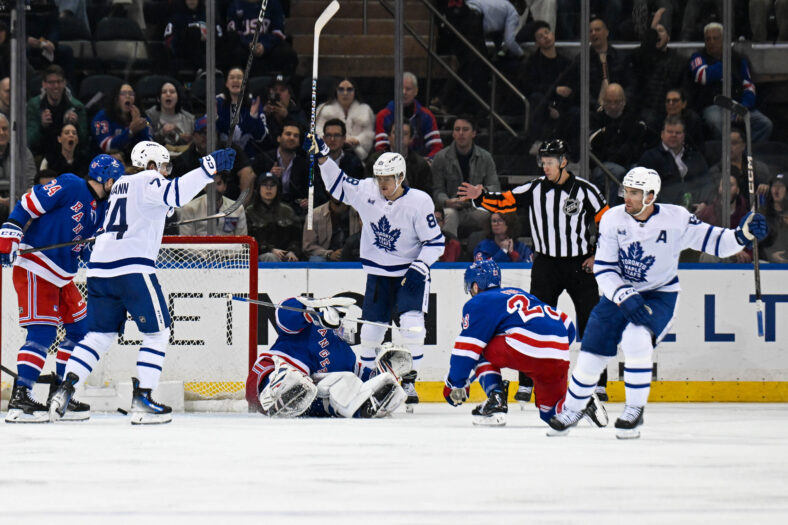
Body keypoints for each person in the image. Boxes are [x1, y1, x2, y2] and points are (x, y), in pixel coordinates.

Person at [547, 167, 769, 439]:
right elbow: (604, 268)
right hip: (619, 292)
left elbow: (715, 242)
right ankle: (572, 409)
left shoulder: (676, 219)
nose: (627, 198)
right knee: (591, 351)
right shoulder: (613, 219)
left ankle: (634, 409)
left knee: (636, 339)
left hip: (659, 293)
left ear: (651, 196)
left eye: (634, 193)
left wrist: (742, 235)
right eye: (626, 191)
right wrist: (622, 295)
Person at [48, 142, 237, 424]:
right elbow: (176, 193)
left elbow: (159, 206)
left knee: (99, 336)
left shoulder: (118, 186)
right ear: (150, 165)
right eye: (163, 166)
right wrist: (208, 168)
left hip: (99, 271)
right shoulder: (149, 179)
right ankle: (143, 399)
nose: (164, 172)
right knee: (158, 333)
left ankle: (64, 389)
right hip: (131, 269)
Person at [458, 139, 610, 402]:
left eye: (550, 162)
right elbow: (505, 201)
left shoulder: (586, 190)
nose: (546, 167)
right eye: (543, 162)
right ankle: (527, 383)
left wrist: (600, 254)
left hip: (580, 264)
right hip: (546, 265)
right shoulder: (536, 188)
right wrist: (480, 197)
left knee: (592, 323)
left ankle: (596, 383)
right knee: (531, 324)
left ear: (564, 162)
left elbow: (608, 221)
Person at [309, 136, 445, 408]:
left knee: (413, 327)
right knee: (370, 332)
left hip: (410, 273)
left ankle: (409, 378)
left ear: (401, 176)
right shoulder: (367, 190)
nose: (382, 183)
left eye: (389, 177)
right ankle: (368, 377)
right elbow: (338, 184)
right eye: (379, 177)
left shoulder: (419, 202)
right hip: (379, 274)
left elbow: (436, 243)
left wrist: (420, 267)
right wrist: (323, 157)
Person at [0, 154, 123, 422]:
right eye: (117, 181)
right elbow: (29, 202)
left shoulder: (101, 210)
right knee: (42, 333)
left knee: (80, 329)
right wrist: (11, 227)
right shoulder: (70, 184)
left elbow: (87, 251)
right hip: (36, 264)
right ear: (107, 178)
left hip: (62, 276)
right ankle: (21, 398)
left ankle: (59, 392)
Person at [443, 259, 607, 427]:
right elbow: (568, 326)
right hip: (558, 353)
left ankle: (496, 398)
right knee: (551, 413)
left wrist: (454, 383)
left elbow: (467, 350)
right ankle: (582, 403)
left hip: (528, 348)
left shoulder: (478, 301)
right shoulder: (521, 294)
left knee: (479, 347)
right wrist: (550, 347)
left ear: (476, 286)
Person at [245, 296, 407, 418]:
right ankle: (278, 388)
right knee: (289, 376)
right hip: (270, 375)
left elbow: (364, 376)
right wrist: (314, 312)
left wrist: (386, 372)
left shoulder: (344, 355)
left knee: (343, 383)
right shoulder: (308, 327)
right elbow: (283, 312)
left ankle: (363, 407)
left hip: (305, 395)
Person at [689, 22, 773, 143]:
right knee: (715, 121)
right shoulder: (698, 56)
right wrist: (724, 65)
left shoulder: (738, 59)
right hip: (713, 105)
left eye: (715, 38)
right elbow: (702, 76)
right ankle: (726, 154)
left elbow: (749, 86)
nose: (711, 42)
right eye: (708, 39)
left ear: (724, 40)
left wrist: (743, 105)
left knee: (764, 124)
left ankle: (744, 154)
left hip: (736, 104)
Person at [431, 116, 500, 239]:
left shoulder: (485, 157)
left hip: (476, 207)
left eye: (465, 129)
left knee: (492, 215)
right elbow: (437, 189)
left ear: (473, 133)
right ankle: (448, 253)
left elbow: (495, 187)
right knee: (449, 215)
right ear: (453, 133)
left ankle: (486, 252)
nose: (461, 133)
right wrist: (447, 201)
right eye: (457, 129)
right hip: (451, 207)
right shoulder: (441, 158)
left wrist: (481, 192)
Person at [589, 83, 652, 205]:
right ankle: (613, 212)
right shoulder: (595, 119)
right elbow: (594, 146)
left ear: (624, 101)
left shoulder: (633, 119)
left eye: (617, 102)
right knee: (619, 173)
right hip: (602, 166)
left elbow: (637, 145)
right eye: (609, 101)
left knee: (638, 171)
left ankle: (638, 211)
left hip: (628, 163)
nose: (613, 106)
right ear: (603, 101)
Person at [170, 115, 255, 203]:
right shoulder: (184, 160)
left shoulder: (229, 149)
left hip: (229, 203)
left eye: (211, 133)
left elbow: (248, 173)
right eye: (203, 133)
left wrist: (239, 206)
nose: (207, 137)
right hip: (197, 208)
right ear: (194, 135)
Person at [638, 115, 710, 209]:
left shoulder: (696, 157)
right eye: (670, 132)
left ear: (684, 135)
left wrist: (704, 203)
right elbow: (646, 191)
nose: (673, 135)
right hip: (663, 210)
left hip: (697, 210)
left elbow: (706, 184)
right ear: (662, 134)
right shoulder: (650, 157)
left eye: (678, 133)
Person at [374, 72, 443, 160]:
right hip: (391, 166)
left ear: (416, 91)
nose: (404, 92)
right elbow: (381, 148)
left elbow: (436, 147)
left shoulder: (427, 116)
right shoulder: (383, 116)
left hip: (420, 167)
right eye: (400, 88)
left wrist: (427, 161)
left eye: (408, 89)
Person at [26, 64, 88, 158]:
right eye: (51, 82)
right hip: (42, 155)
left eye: (59, 82)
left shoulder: (77, 107)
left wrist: (76, 127)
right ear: (44, 84)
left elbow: (84, 142)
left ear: (64, 83)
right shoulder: (34, 106)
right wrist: (42, 126)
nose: (56, 86)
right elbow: (29, 141)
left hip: (69, 156)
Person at [223, 0, 297, 76]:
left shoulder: (273, 3)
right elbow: (233, 33)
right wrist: (248, 44)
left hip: (268, 46)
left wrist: (264, 46)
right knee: (234, 53)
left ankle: (284, 84)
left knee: (287, 53)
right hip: (245, 47)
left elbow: (278, 31)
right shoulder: (235, 5)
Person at [245, 171, 302, 262]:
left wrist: (292, 251)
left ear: (278, 189)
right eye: (264, 185)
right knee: (270, 257)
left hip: (285, 255)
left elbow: (296, 238)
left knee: (293, 259)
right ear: (258, 188)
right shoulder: (250, 212)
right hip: (260, 257)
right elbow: (247, 241)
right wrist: (270, 249)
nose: (269, 188)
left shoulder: (287, 211)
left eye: (272, 185)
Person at [315, 78, 376, 161]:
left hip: (357, 156)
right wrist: (336, 140)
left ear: (355, 92)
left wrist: (357, 140)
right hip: (328, 155)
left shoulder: (365, 111)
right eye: (341, 89)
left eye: (349, 89)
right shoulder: (324, 110)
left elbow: (369, 134)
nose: (345, 93)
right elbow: (317, 132)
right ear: (335, 91)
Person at [216, 67, 269, 160]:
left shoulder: (254, 104)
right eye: (232, 78)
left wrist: (253, 117)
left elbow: (260, 137)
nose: (235, 80)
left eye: (240, 78)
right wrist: (216, 118)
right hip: (222, 159)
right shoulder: (217, 103)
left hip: (248, 159)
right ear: (226, 84)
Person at [366, 121, 432, 196]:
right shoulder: (375, 161)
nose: (400, 136)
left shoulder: (420, 164)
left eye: (404, 134)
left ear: (411, 139)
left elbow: (426, 195)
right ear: (389, 137)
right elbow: (368, 191)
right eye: (395, 133)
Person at [707, 128, 771, 203]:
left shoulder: (758, 168)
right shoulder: (715, 172)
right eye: (727, 143)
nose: (729, 147)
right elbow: (711, 198)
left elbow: (770, 189)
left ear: (743, 146)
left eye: (734, 143)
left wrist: (766, 188)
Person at [177, 172, 247, 236]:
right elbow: (186, 243)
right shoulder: (190, 208)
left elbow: (243, 241)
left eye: (218, 184)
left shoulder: (237, 208)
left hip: (229, 250)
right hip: (200, 249)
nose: (214, 188)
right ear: (204, 186)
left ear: (225, 186)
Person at [91, 82, 152, 155]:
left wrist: (140, 127)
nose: (127, 96)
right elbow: (106, 146)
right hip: (104, 161)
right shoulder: (102, 117)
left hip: (134, 162)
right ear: (115, 98)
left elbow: (150, 146)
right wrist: (130, 131)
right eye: (123, 93)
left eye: (131, 94)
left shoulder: (144, 118)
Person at [0, 114, 36, 223]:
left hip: (17, 202)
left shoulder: (23, 153)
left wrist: (17, 199)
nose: (1, 133)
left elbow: (30, 183)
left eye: (5, 129)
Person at [302, 196, 361, 262]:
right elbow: (308, 246)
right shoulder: (313, 215)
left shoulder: (359, 213)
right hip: (325, 257)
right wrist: (329, 254)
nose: (337, 193)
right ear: (328, 190)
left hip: (353, 255)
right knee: (316, 260)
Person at [145, 81, 195, 152]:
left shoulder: (189, 119)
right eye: (164, 92)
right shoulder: (150, 116)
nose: (168, 94)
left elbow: (195, 142)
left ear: (178, 97)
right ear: (158, 99)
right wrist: (162, 133)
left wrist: (189, 139)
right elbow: (147, 141)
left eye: (172, 92)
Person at [262, 74, 307, 149]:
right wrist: (262, 116)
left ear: (289, 94)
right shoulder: (262, 111)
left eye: (282, 90)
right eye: (275, 90)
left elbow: (307, 137)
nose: (278, 93)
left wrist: (287, 117)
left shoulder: (297, 112)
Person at [759, 174, 788, 263]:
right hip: (766, 261)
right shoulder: (762, 212)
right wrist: (770, 255)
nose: (777, 189)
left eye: (780, 186)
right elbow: (757, 241)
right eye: (774, 186)